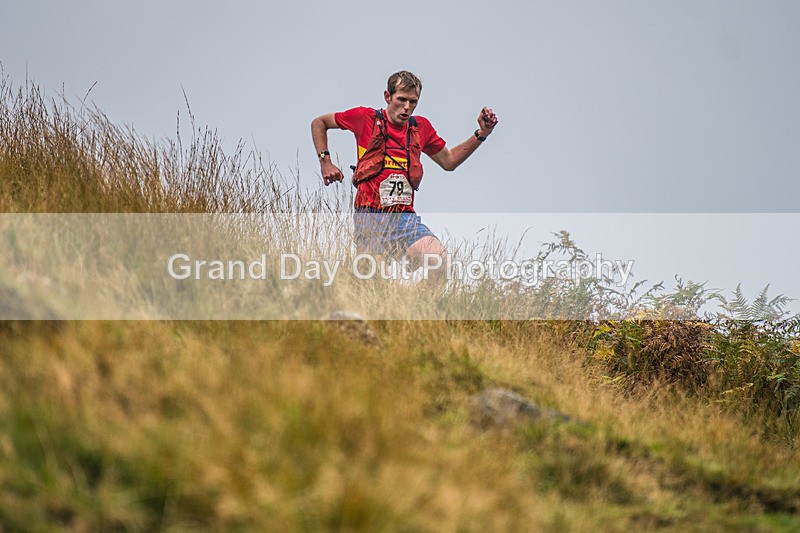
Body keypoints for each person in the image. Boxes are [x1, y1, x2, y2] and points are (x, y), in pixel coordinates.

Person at [310, 70, 497, 281]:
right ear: (387, 97)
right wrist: (325, 162)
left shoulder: (421, 128)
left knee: (440, 260)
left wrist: (482, 134)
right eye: (401, 100)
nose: (407, 107)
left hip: (404, 218)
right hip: (370, 216)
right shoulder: (366, 118)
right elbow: (320, 122)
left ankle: (427, 310)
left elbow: (449, 160)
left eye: (413, 101)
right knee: (374, 282)